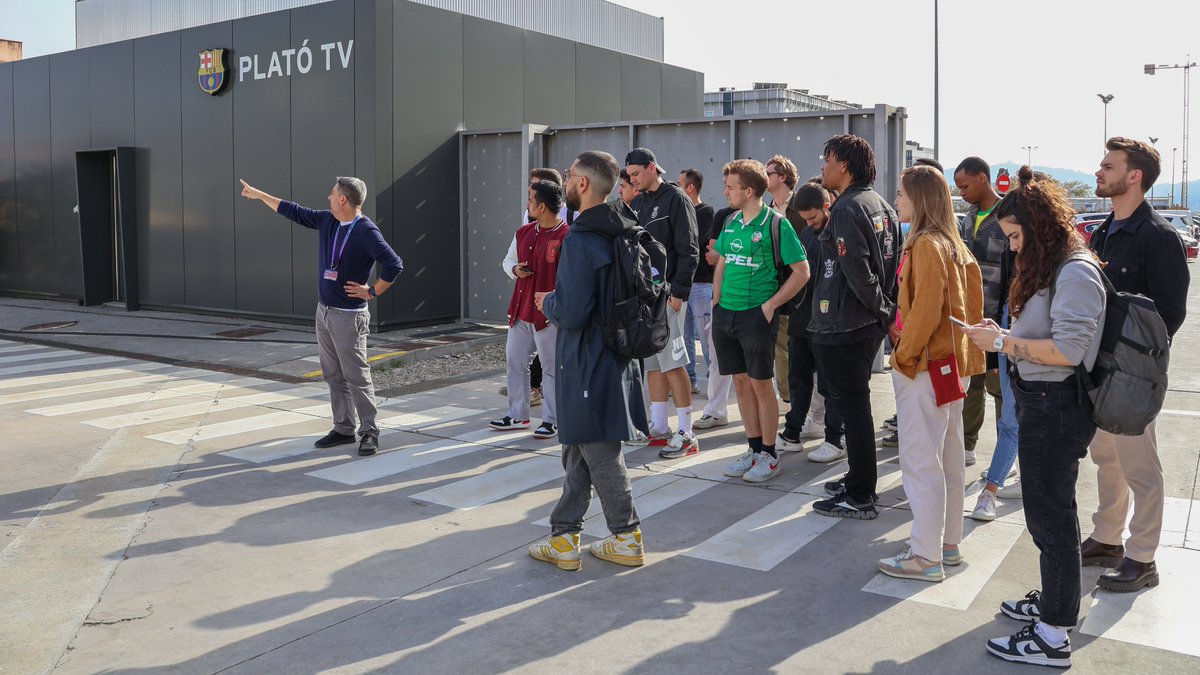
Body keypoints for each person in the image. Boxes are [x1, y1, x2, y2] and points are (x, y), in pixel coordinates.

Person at [963, 166, 1106, 668]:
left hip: (1057, 406)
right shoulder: (1056, 265)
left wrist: (1002, 342)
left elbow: (1068, 349)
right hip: (1042, 402)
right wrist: (1001, 334)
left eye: (1017, 237)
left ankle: (1053, 635)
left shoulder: (1076, 270)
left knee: (1052, 520)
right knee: (1048, 516)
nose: (1014, 248)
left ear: (1040, 225)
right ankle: (1053, 606)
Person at [527, 150, 650, 571]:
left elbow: (575, 310)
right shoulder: (622, 226)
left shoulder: (582, 238)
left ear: (582, 184)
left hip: (585, 358)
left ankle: (627, 535)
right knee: (579, 446)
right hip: (613, 354)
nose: (564, 181)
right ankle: (564, 535)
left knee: (599, 450)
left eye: (568, 175)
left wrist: (551, 302)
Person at [1083, 137, 1189, 592]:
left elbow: (1171, 312)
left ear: (1134, 176)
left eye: (1108, 166)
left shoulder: (1159, 237)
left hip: (1132, 375)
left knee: (1140, 466)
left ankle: (1143, 557)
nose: (1099, 172)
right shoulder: (1105, 231)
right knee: (1106, 457)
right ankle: (1108, 539)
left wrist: (1138, 363)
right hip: (1100, 369)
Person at [239, 176, 403, 457]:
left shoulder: (366, 231)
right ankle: (343, 428)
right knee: (333, 374)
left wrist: (372, 292)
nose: (328, 197)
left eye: (332, 193)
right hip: (324, 312)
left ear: (343, 199)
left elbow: (394, 264)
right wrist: (259, 194)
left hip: (348, 317)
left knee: (356, 375)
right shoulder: (328, 221)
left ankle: (369, 432)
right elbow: (294, 210)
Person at [877, 165, 984, 582]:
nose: (897, 200)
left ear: (918, 198)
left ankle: (925, 555)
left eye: (902, 193)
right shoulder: (955, 244)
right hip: (953, 366)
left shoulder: (924, 244)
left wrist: (902, 356)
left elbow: (924, 311)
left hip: (925, 366)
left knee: (921, 460)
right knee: (950, 459)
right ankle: (947, 544)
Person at [809, 135, 901, 520]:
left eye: (826, 159)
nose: (823, 166)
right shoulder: (879, 204)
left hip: (846, 325)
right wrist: (885, 315)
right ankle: (857, 478)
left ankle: (861, 493)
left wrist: (883, 312)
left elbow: (860, 274)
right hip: (863, 325)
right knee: (855, 408)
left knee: (854, 410)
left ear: (843, 165)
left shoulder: (848, 208)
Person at [713, 159, 810, 483]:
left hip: (756, 315)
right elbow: (723, 261)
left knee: (760, 384)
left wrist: (771, 305)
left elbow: (802, 272)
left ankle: (769, 454)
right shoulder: (731, 221)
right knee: (740, 384)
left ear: (749, 190)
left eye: (731, 186)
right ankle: (754, 449)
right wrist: (716, 299)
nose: (725, 191)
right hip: (727, 313)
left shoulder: (777, 224)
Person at [624, 148, 701, 460]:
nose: (633, 181)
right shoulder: (639, 202)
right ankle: (659, 426)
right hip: (647, 298)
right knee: (654, 363)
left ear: (652, 167)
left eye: (636, 174)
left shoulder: (676, 198)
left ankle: (686, 432)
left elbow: (689, 247)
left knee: (673, 361)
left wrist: (679, 290)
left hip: (669, 295)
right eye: (629, 177)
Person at [489, 180, 568, 438]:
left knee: (551, 368)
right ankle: (517, 415)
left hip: (549, 315)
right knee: (515, 362)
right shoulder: (523, 232)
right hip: (521, 311)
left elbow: (571, 278)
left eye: (531, 200)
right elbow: (508, 260)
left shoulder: (567, 235)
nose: (527, 205)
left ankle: (552, 420)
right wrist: (514, 269)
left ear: (542, 206)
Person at [779, 181, 845, 462]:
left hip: (829, 322)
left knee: (830, 384)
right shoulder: (805, 232)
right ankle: (792, 430)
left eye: (813, 217)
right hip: (802, 317)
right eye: (805, 218)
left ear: (826, 206)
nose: (809, 222)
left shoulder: (840, 234)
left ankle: (834, 438)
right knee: (798, 379)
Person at [952, 157, 1005, 468]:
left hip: (999, 319)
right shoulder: (968, 216)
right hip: (970, 317)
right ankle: (968, 444)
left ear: (983, 178)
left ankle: (1004, 454)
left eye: (965, 186)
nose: (962, 193)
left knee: (1000, 391)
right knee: (971, 385)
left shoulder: (1008, 215)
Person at [695, 203, 736, 429]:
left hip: (754, 304)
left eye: (731, 187)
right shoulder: (724, 215)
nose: (725, 193)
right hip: (720, 298)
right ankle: (715, 410)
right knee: (717, 359)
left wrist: (723, 255)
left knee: (756, 370)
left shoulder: (769, 220)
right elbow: (711, 255)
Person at [765, 155, 800, 403]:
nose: (765, 177)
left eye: (769, 173)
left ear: (782, 177)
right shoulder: (767, 209)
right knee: (779, 348)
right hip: (776, 289)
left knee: (796, 348)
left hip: (800, 289)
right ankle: (788, 398)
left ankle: (798, 400)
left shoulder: (800, 205)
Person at [679, 168, 714, 395]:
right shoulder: (680, 213)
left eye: (679, 184)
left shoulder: (705, 212)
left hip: (701, 284)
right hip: (684, 285)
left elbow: (692, 241)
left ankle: (714, 381)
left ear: (690, 188)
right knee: (685, 338)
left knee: (707, 338)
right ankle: (689, 380)